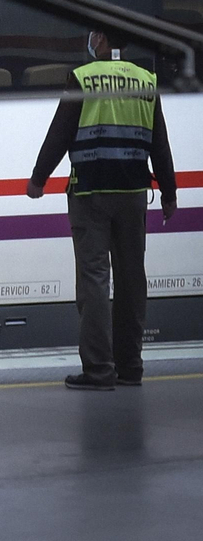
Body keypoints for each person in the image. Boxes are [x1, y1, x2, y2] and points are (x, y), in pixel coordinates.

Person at [27, 29, 177, 390]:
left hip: (91, 192)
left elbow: (60, 133)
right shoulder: (146, 81)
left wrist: (38, 178)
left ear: (105, 40)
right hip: (133, 193)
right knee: (131, 278)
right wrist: (169, 194)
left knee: (94, 279)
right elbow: (160, 141)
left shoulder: (83, 78)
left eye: (94, 36)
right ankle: (130, 366)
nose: (90, 41)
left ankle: (99, 370)